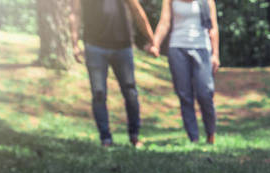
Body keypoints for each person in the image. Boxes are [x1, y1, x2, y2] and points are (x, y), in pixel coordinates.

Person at [70, 0, 160, 148]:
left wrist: (152, 40)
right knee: (99, 93)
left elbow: (137, 11)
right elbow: (75, 12)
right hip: (94, 47)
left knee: (130, 92)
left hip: (122, 47)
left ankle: (134, 136)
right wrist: (74, 43)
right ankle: (105, 139)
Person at [152, 0, 220, 144]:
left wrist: (215, 54)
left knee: (205, 93)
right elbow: (165, 22)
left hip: (202, 47)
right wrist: (156, 43)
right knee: (184, 95)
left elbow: (212, 28)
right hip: (178, 47)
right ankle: (193, 137)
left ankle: (210, 133)